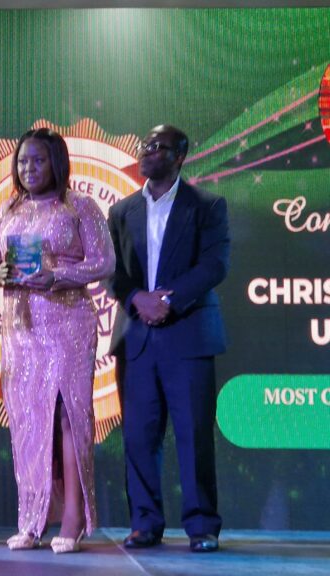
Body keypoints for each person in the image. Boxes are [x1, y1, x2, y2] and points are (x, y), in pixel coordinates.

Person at [0, 128, 115, 554]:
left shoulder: (80, 206)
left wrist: (57, 275)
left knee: (69, 418)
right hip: (22, 329)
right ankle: (32, 520)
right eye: (22, 161)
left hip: (68, 322)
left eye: (37, 160)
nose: (29, 168)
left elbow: (104, 262)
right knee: (30, 421)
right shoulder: (9, 209)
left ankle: (73, 519)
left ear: (56, 162)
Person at [107, 125, 230, 553]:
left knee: (194, 435)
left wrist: (168, 301)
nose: (147, 151)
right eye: (146, 145)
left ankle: (202, 527)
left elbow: (215, 265)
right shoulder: (121, 211)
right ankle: (145, 524)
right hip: (137, 339)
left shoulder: (207, 206)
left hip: (189, 335)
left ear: (180, 157)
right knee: (139, 438)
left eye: (158, 147)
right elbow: (112, 271)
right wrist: (137, 298)